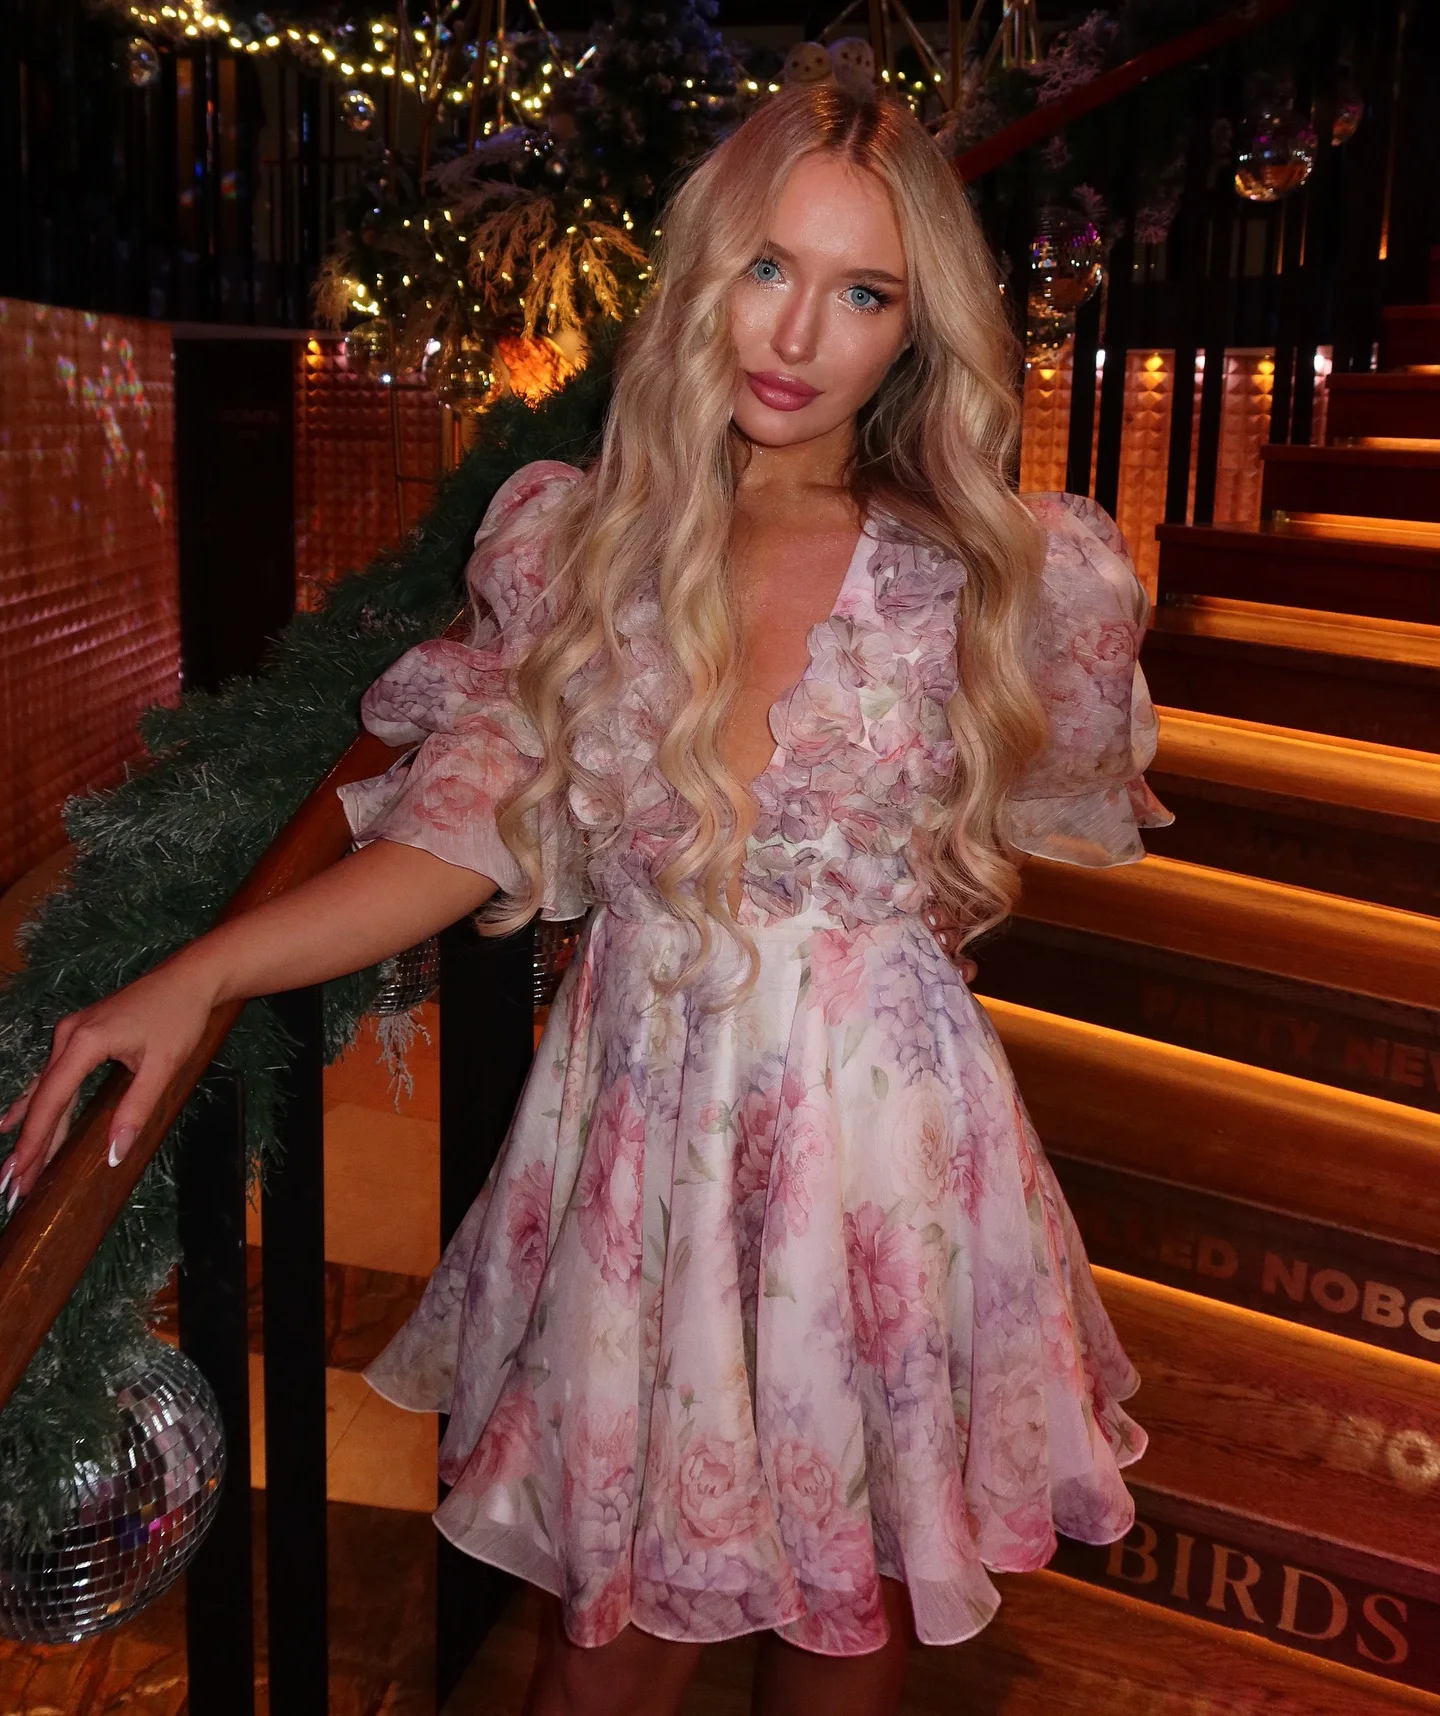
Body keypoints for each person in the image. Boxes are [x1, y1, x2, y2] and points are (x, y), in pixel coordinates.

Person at [2, 85, 1171, 1716]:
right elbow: (452, 845)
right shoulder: (590, 548)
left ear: (915, 330)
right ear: (703, 274)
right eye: (767, 268)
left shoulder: (995, 572)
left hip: (881, 1146)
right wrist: (198, 975)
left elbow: (1046, 804)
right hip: (648, 1132)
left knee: (846, 1620)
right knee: (601, 1642)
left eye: (863, 292)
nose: (799, 336)